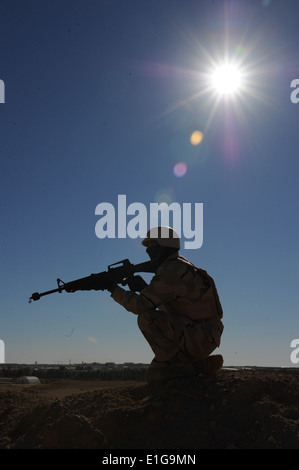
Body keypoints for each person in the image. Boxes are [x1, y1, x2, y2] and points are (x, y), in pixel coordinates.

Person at [108, 226, 224, 384]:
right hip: (202, 334)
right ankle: (197, 365)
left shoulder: (172, 270)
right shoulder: (179, 266)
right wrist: (142, 288)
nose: (148, 251)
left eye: (152, 245)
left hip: (199, 336)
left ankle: (189, 368)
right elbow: (170, 304)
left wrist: (113, 289)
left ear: (165, 246)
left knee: (147, 319)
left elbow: (139, 306)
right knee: (154, 375)